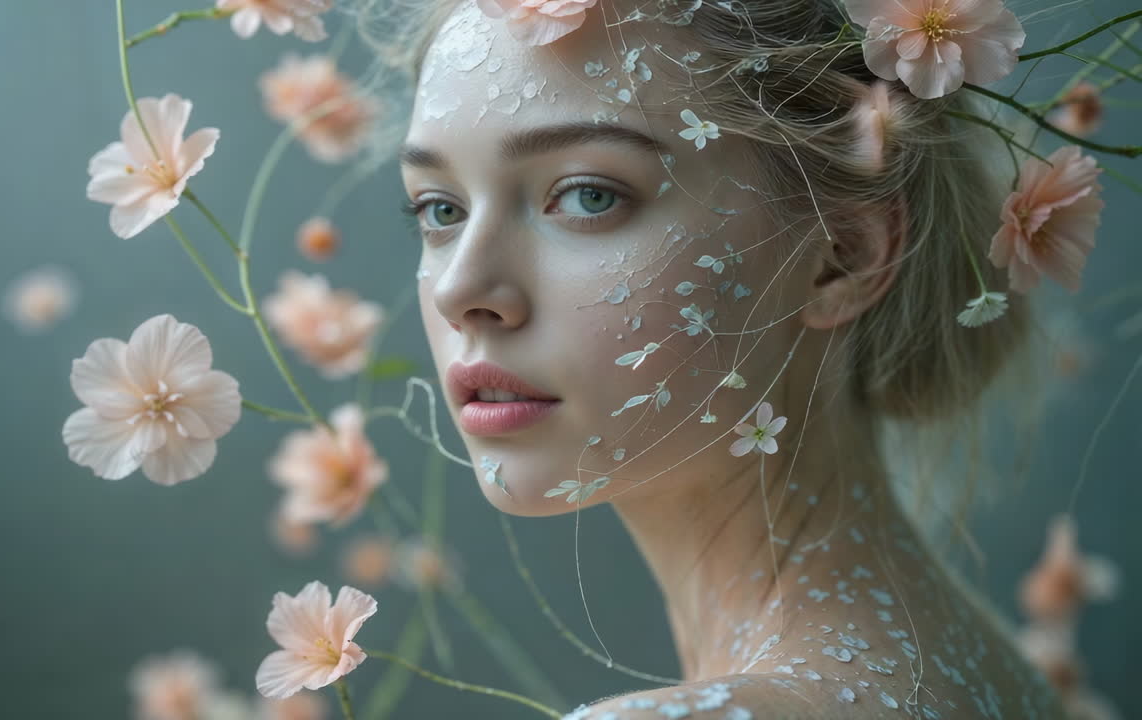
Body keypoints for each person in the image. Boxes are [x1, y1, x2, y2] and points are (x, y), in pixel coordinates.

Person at [368, 0, 1068, 717]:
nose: (459, 291)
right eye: (440, 209)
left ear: (842, 255)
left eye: (588, 195)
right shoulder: (993, 667)